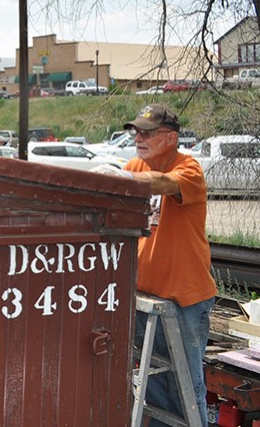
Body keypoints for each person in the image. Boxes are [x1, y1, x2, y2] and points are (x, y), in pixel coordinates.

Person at [99, 103, 215, 426]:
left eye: (147, 132)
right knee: (155, 391)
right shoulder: (135, 165)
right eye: (136, 131)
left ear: (170, 138)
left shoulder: (188, 169)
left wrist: (123, 178)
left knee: (186, 391)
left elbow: (164, 184)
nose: (138, 137)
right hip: (147, 300)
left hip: (185, 302)